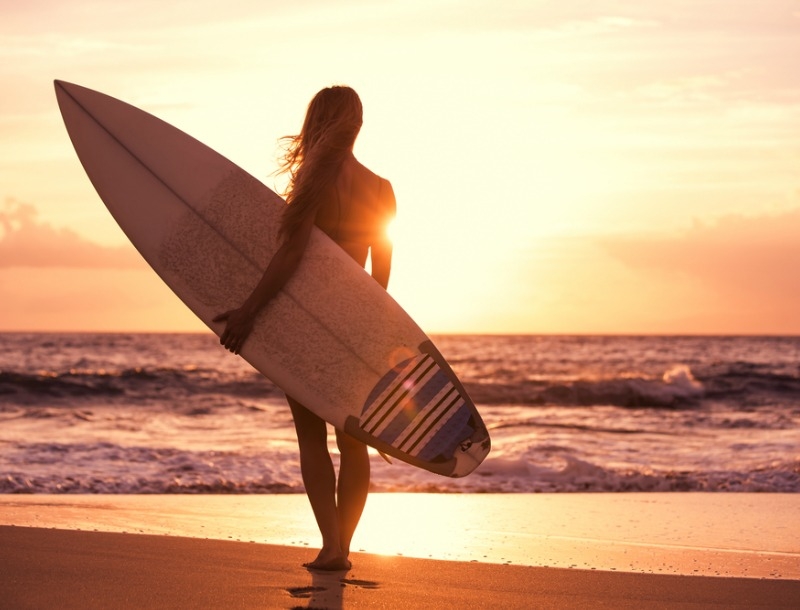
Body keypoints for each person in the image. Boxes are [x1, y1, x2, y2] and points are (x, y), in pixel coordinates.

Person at [213, 86, 396, 571]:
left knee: (311, 437)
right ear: (356, 124)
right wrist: (375, 339)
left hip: (304, 322)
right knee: (352, 439)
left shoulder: (314, 181)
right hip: (356, 324)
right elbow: (381, 281)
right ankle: (346, 548)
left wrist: (249, 310)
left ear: (318, 122)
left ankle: (331, 546)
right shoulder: (382, 189)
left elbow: (290, 256)